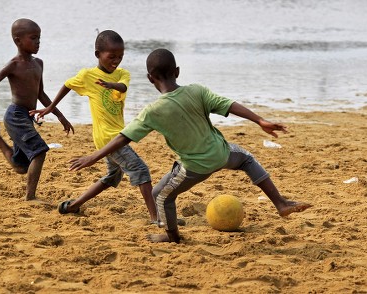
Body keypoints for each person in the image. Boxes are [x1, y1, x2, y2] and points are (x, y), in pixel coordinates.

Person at [69, 48, 312, 243]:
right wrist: (259, 120)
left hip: (194, 167)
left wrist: (94, 157)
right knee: (247, 159)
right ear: (177, 70)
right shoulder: (196, 91)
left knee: (161, 196)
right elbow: (229, 105)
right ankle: (280, 203)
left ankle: (171, 236)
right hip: (222, 154)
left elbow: (123, 138)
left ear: (149, 78)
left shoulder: (153, 111)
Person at [29, 30, 158, 222]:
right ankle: (157, 218)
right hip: (109, 137)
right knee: (142, 172)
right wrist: (51, 107)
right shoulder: (87, 75)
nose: (116, 61)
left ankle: (72, 206)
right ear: (98, 54)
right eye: (111, 56)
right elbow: (68, 85)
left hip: (116, 135)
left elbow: (123, 87)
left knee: (112, 177)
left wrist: (110, 84)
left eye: (120, 57)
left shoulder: (123, 73)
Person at [0, 18, 74, 202]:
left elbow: (41, 94)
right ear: (18, 40)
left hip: (27, 116)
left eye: (39, 38)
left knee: (22, 166)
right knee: (39, 152)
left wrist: (60, 115)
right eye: (33, 38)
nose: (38, 42)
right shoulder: (14, 65)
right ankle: (30, 197)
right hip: (15, 115)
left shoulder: (39, 63)